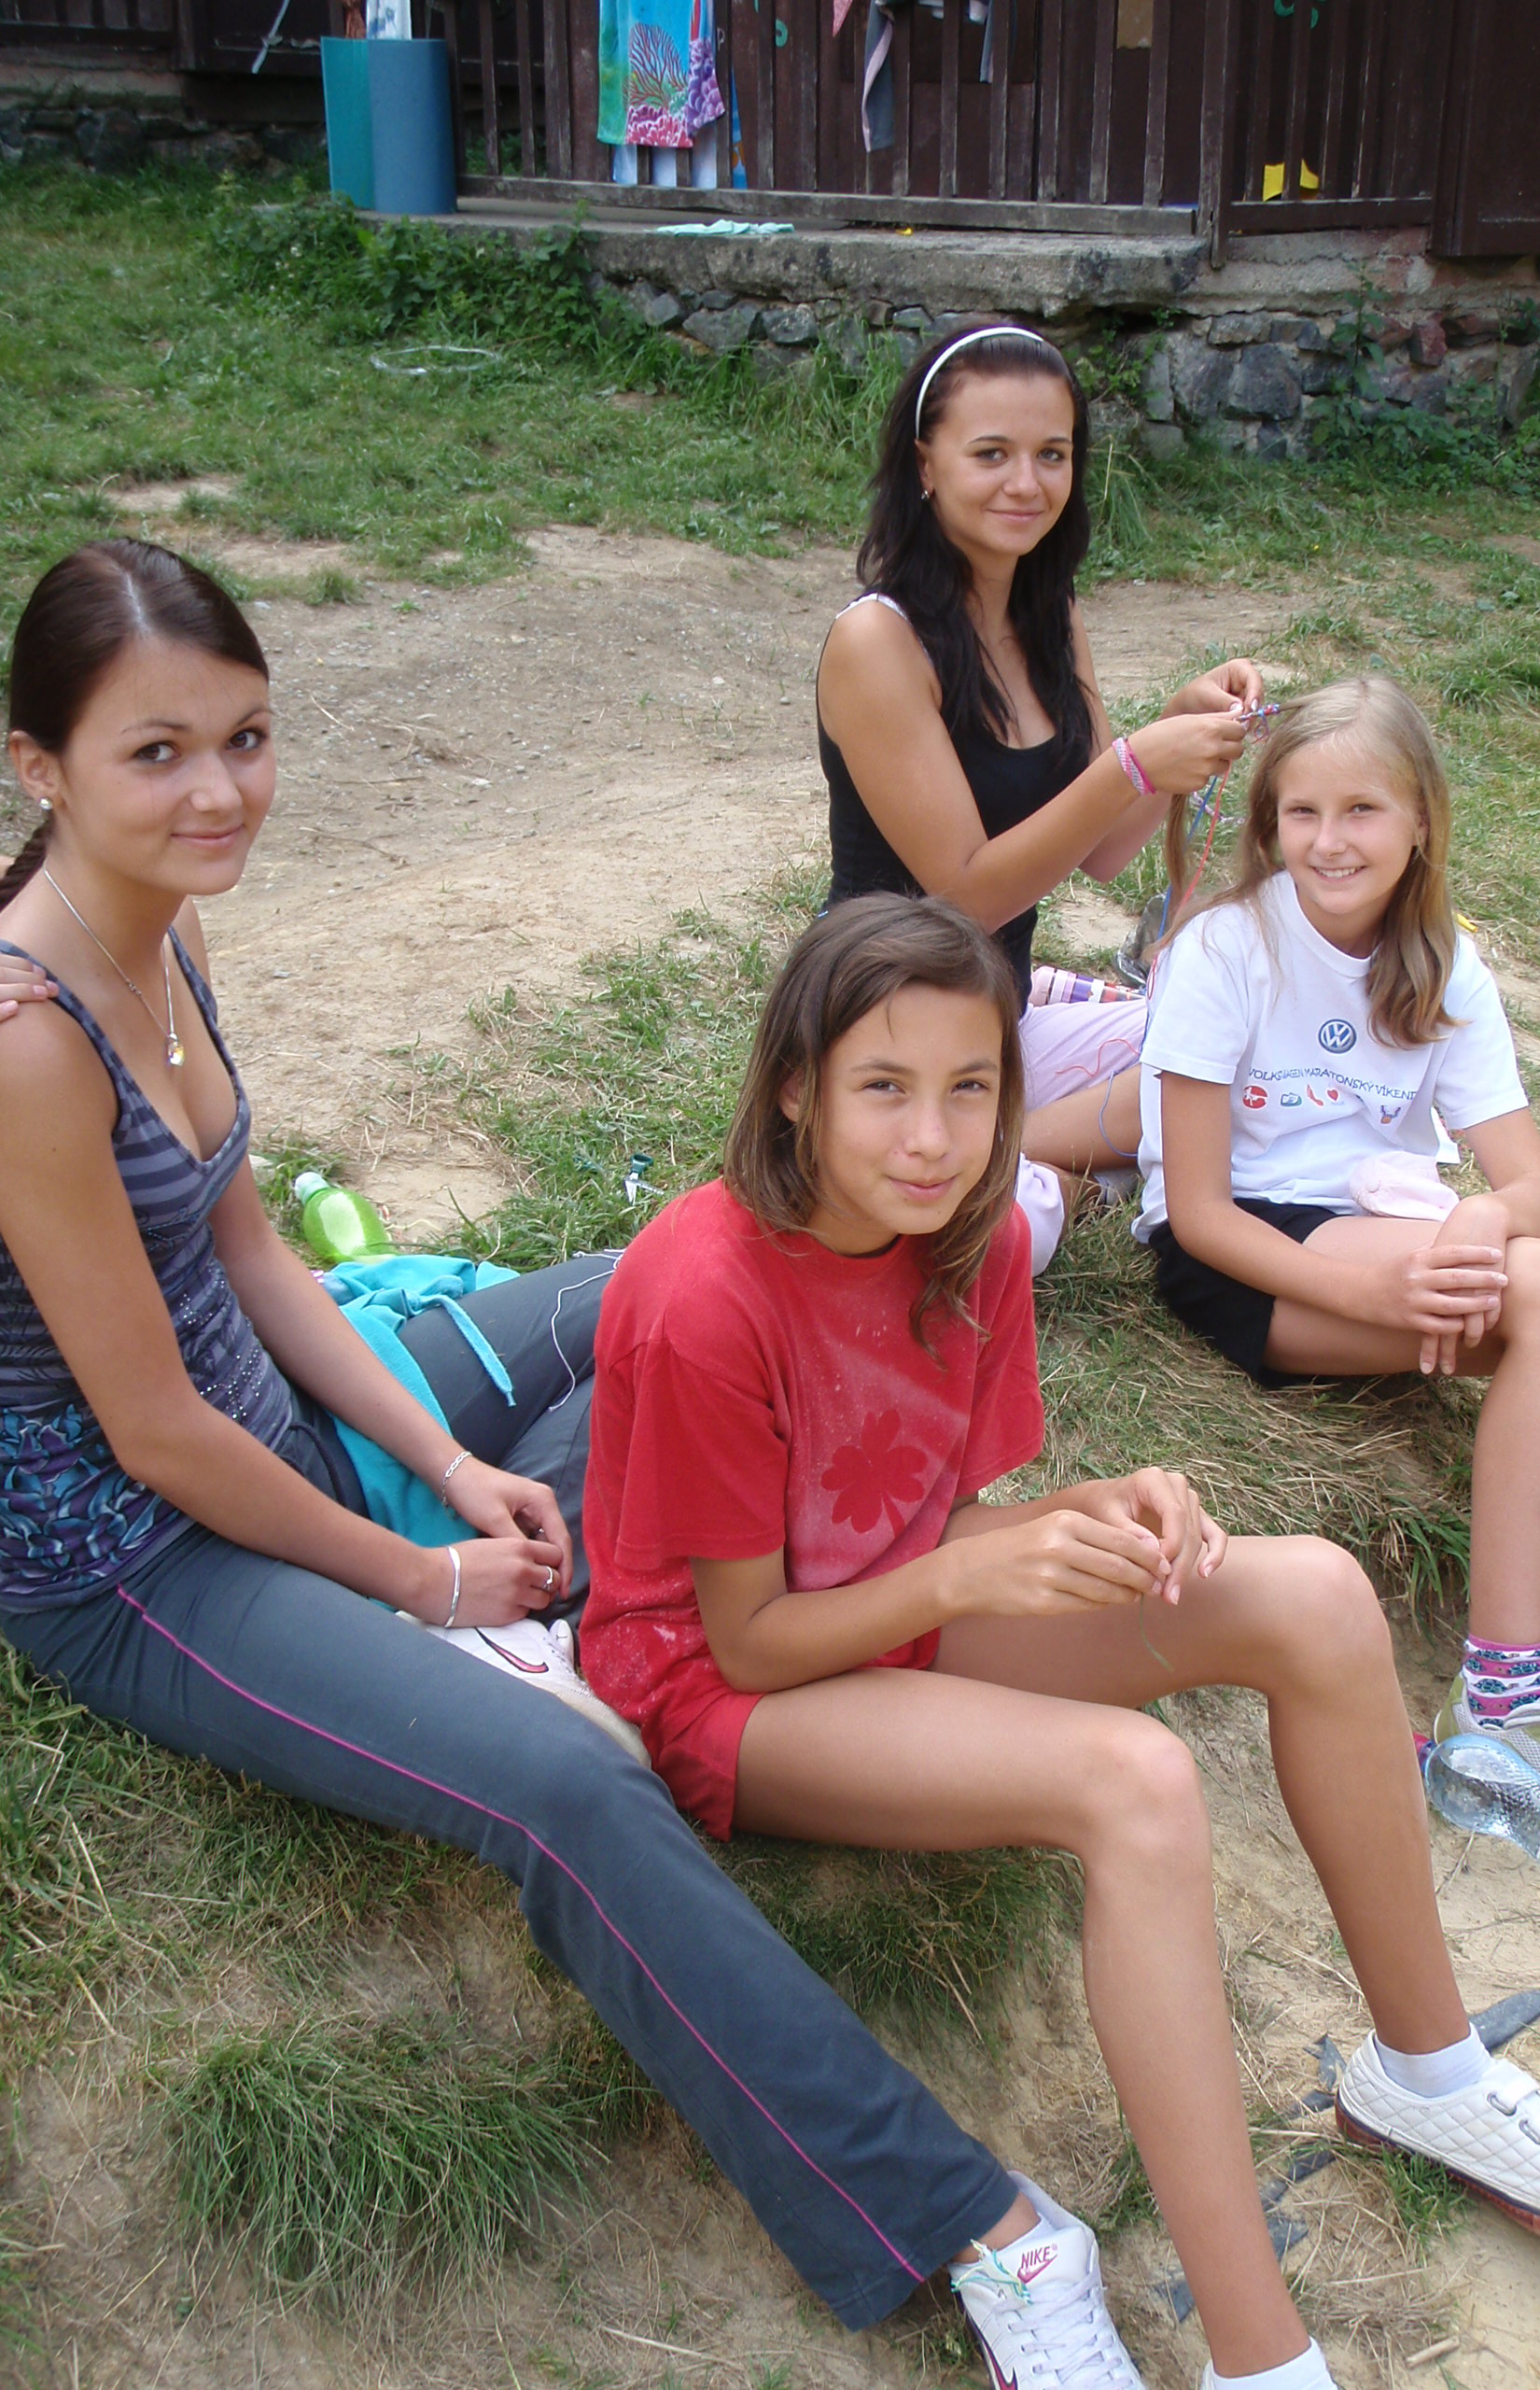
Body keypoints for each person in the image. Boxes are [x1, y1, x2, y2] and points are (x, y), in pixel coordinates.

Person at [0, 540, 1140, 2363]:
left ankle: (631, 1608)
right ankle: (978, 2226)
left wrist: (453, 1469)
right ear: (38, 765)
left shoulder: (166, 926)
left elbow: (250, 1254)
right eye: (157, 753)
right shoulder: (27, 1041)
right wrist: (422, 1576)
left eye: (246, 737)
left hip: (279, 1418)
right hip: (140, 1552)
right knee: (563, 1788)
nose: (217, 791)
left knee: (663, 1282)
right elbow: (158, 1429)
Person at [580, 891, 1540, 2390]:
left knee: (1316, 1595)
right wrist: (977, 1575)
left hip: (883, 1602)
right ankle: (1260, 2355)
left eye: (972, 1088)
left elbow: (926, 1510)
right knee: (1138, 1783)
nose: (931, 1137)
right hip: (724, 1686)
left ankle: (1427, 2072)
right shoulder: (702, 1289)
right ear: (794, 1090)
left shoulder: (967, 1242)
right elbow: (756, 1640)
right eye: (883, 1087)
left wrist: (1091, 1512)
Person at [1136, 673, 1540, 1807]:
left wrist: (1483, 1215)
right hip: (1248, 1248)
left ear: (1420, 821)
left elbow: (1534, 1186)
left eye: (1362, 810)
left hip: (1389, 1228)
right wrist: (1380, 1299)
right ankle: (1502, 1685)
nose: (1329, 841)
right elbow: (1195, 1215)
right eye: (1303, 812)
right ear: (1270, 822)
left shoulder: (1442, 961)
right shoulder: (1226, 949)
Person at [819, 319, 1265, 1273]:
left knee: (1248, 1049)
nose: (1026, 484)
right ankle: (1046, 1166)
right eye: (992, 454)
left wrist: (1178, 726)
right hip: (883, 1027)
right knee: (984, 1247)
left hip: (999, 1020)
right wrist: (1133, 765)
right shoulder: (877, 642)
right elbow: (965, 896)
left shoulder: (1049, 614)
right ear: (925, 464)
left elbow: (1102, 850)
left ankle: (1019, 1145)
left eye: (1052, 455)